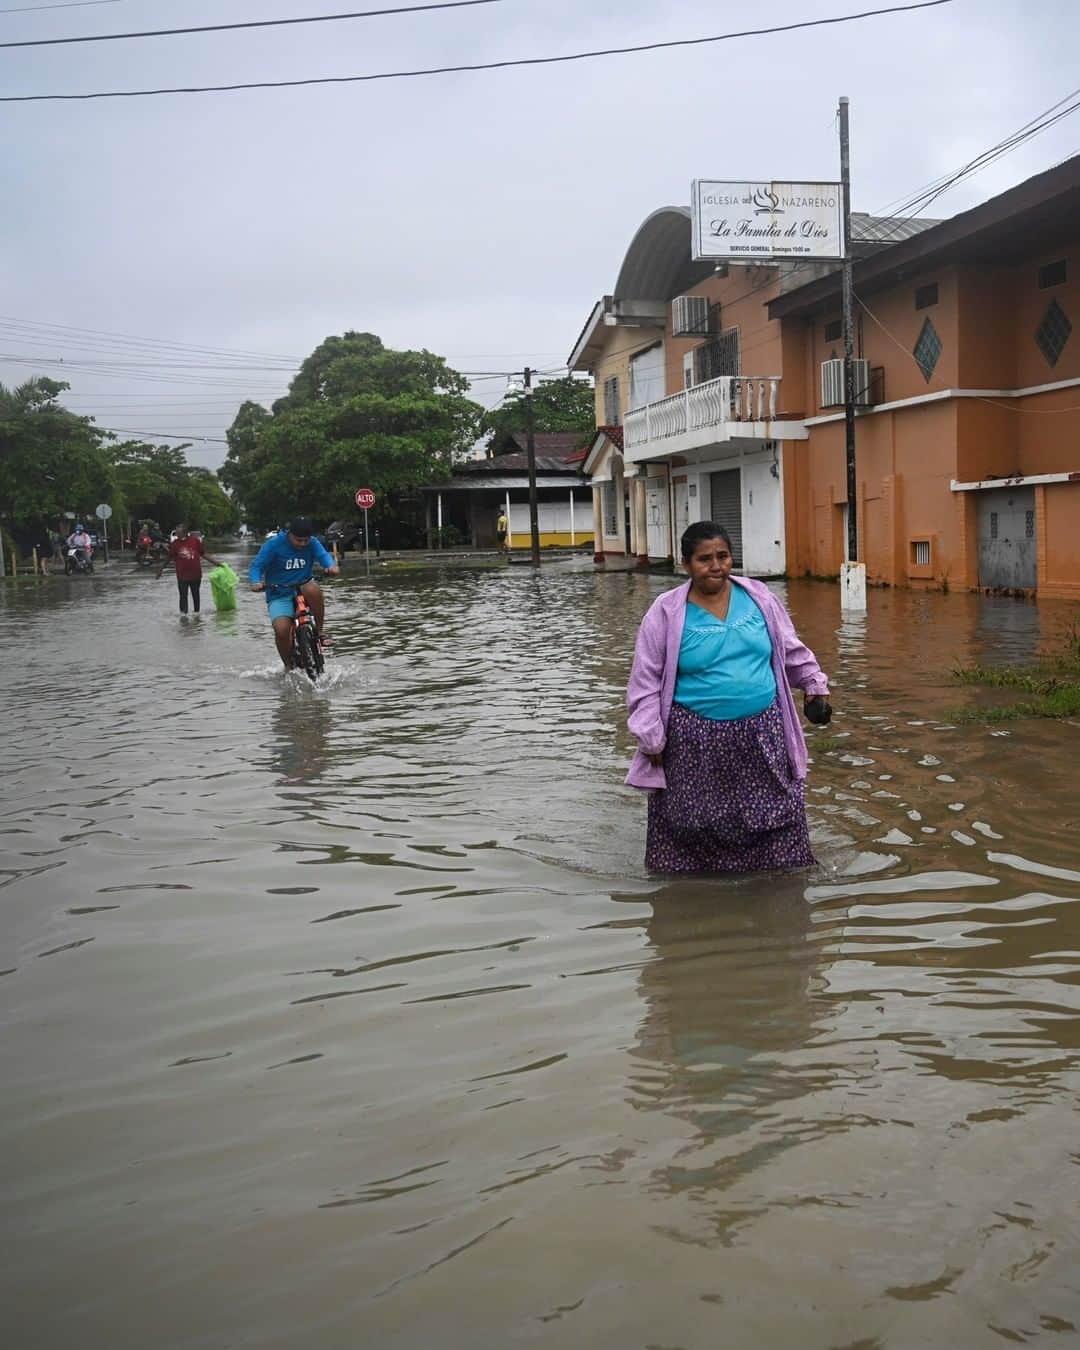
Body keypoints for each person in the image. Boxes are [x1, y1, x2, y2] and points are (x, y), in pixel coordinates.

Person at [626, 520, 833, 875]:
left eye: (723, 556)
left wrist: (814, 688)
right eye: (705, 558)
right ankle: (699, 892)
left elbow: (789, 649)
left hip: (763, 732)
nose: (716, 566)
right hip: (694, 741)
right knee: (693, 820)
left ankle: (779, 880)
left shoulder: (759, 598)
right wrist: (651, 736)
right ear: (686, 564)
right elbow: (646, 681)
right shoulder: (665, 612)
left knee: (777, 808)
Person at [249, 517, 339, 670]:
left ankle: (320, 632)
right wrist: (255, 582)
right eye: (298, 540)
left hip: (304, 587)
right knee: (281, 630)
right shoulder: (273, 545)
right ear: (289, 534)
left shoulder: (313, 542)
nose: (303, 544)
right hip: (279, 592)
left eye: (306, 540)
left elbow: (324, 557)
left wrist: (331, 567)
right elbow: (256, 567)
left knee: (313, 588)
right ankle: (288, 666)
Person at [156, 522, 223, 614]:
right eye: (176, 532)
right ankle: (183, 617)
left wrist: (217, 563)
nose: (176, 534)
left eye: (178, 532)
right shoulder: (175, 544)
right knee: (183, 596)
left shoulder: (195, 541)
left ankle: (197, 615)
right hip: (182, 576)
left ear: (184, 532)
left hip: (196, 575)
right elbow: (169, 558)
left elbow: (203, 554)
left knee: (196, 595)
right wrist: (161, 569)